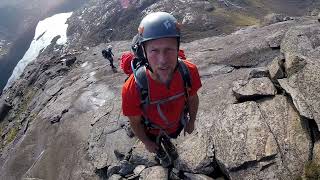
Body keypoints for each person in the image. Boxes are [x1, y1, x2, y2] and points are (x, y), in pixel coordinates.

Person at [122, 12, 202, 167]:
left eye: (169, 50)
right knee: (156, 145)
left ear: (178, 48)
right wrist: (146, 142)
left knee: (167, 138)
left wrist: (191, 122)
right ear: (144, 52)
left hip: (175, 125)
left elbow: (193, 98)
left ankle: (167, 148)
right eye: (154, 51)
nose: (163, 60)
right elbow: (135, 122)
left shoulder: (189, 71)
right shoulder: (132, 88)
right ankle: (160, 152)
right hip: (151, 132)